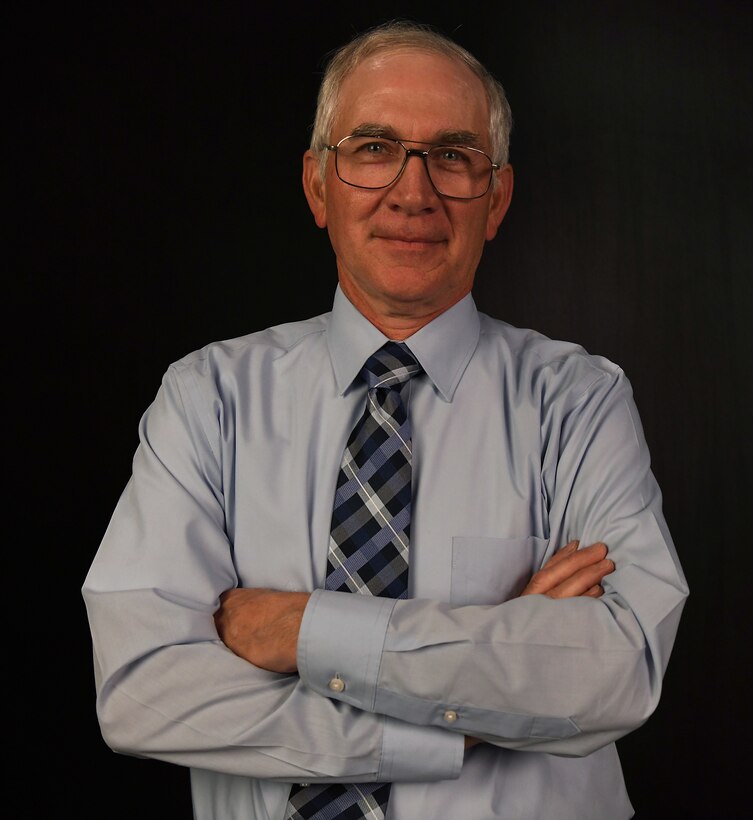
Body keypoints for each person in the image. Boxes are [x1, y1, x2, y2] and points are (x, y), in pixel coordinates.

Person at [83, 19, 688, 820]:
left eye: (453, 156)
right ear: (317, 186)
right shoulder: (207, 400)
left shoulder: (578, 402)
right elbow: (141, 691)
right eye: (372, 149)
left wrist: (302, 630)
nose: (413, 191)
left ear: (496, 197)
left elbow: (618, 670)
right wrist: (461, 711)